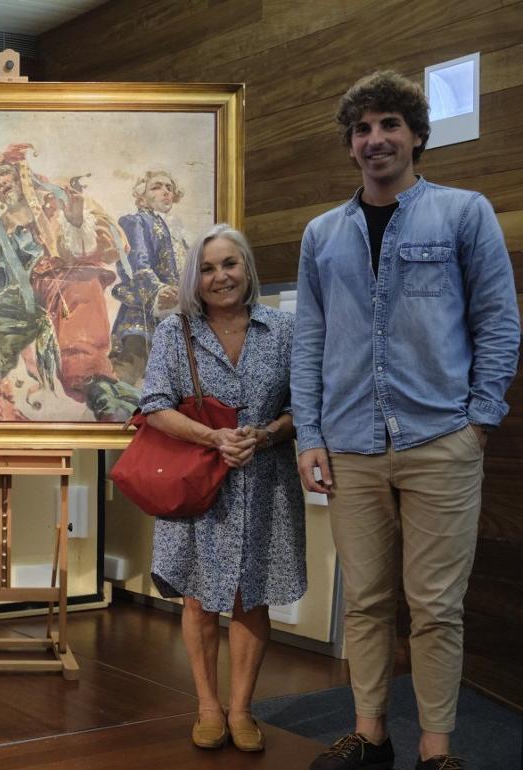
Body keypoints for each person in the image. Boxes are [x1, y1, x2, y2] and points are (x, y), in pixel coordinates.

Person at [293, 71, 519, 770]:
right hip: (350, 445)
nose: (375, 139)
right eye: (362, 129)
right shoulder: (321, 234)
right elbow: (309, 340)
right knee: (364, 601)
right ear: (350, 145)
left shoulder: (463, 213)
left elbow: (499, 322)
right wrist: (309, 435)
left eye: (389, 124)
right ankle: (371, 737)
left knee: (436, 607)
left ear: (417, 135)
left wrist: (478, 421)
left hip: (441, 441)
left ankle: (435, 749)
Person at [140, 224, 305, 754]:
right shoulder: (175, 332)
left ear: (247, 269)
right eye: (207, 268)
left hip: (265, 482)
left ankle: (242, 709)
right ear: (195, 278)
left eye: (229, 264)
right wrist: (214, 437)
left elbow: (305, 406)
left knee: (251, 597)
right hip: (198, 483)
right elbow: (154, 404)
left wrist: (266, 434)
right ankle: (208, 707)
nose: (220, 277)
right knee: (198, 597)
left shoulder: (284, 329)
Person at [0, 143, 136, 421]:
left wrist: (76, 223)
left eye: (4, 174)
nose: (1, 183)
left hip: (68, 276)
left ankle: (100, 391)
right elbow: (3, 279)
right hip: (26, 291)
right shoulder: (1, 225)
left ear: (19, 172)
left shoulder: (57, 196)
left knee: (80, 309)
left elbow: (109, 244)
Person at [110, 169, 192, 386]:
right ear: (141, 197)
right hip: (143, 313)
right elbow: (136, 264)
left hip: (177, 314)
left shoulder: (178, 231)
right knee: (131, 375)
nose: (165, 192)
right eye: (156, 187)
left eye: (169, 188)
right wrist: (159, 291)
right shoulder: (135, 222)